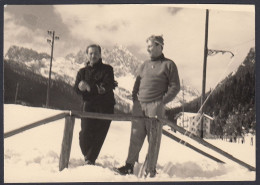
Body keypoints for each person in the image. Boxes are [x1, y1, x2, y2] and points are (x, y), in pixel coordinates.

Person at [115, 35, 180, 177]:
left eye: (150, 46)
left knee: (154, 138)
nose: (147, 49)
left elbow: (175, 86)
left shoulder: (169, 64)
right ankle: (129, 165)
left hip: (155, 106)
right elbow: (136, 85)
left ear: (159, 46)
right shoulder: (143, 65)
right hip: (139, 106)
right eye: (147, 46)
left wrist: (162, 102)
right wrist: (135, 99)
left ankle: (150, 169)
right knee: (135, 137)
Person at [74, 44, 117, 165]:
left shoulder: (107, 69)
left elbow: (106, 86)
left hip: (105, 106)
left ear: (100, 54)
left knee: (99, 134)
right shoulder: (82, 72)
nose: (93, 56)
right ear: (87, 55)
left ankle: (90, 159)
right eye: (91, 53)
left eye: (96, 53)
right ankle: (88, 156)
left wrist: (89, 87)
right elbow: (76, 88)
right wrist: (80, 87)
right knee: (84, 133)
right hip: (89, 105)